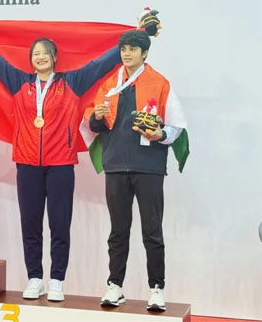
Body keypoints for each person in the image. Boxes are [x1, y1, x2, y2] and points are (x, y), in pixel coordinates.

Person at [0, 12, 157, 302]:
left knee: (60, 225)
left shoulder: (72, 82)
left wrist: (133, 37)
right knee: (30, 224)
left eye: (45, 52)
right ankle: (35, 278)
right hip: (27, 164)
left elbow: (103, 63)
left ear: (55, 58)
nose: (40, 57)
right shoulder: (19, 82)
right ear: (30, 59)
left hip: (60, 164)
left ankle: (57, 280)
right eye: (36, 53)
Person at [86, 29, 187, 311]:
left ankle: (157, 288)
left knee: (152, 230)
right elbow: (95, 125)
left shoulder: (159, 82)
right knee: (118, 231)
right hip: (116, 165)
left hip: (148, 167)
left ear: (145, 53)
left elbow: (175, 127)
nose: (126, 54)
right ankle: (115, 286)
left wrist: (159, 134)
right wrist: (96, 116)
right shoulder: (110, 84)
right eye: (124, 49)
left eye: (132, 49)